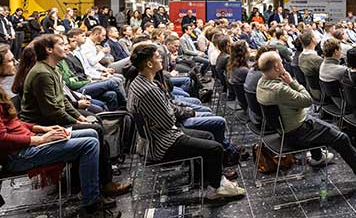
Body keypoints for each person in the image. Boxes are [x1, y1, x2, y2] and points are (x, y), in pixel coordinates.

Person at [127, 43, 246, 200]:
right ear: (149, 64)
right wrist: (168, 114)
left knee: (208, 137)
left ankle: (208, 179)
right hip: (163, 142)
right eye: (157, 57)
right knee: (215, 148)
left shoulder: (139, 82)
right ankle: (215, 190)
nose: (161, 58)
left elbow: (166, 113)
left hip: (159, 134)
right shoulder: (149, 89)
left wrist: (167, 113)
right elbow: (169, 120)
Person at [18, 34, 132, 197]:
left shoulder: (52, 69)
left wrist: (79, 118)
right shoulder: (41, 73)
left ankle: (100, 180)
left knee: (96, 129)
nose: (65, 47)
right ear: (49, 50)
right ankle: (101, 184)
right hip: (44, 125)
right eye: (61, 44)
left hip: (52, 120)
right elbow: (53, 110)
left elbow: (63, 101)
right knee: (96, 131)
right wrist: (76, 119)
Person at [256, 51, 356, 185]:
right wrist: (292, 82)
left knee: (332, 129)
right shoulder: (278, 89)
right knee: (341, 138)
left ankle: (354, 161)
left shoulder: (261, 83)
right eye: (281, 63)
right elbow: (307, 100)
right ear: (277, 67)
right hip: (297, 131)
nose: (283, 64)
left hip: (286, 128)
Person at [298, 30, 323, 97]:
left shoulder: (300, 56)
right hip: (321, 92)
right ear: (312, 39)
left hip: (311, 90)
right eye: (315, 36)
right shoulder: (316, 59)